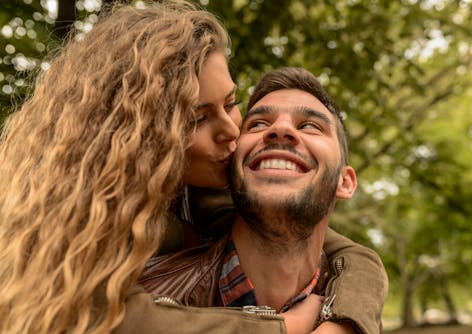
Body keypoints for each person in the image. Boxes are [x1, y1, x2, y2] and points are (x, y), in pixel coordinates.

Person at [0, 1, 385, 333]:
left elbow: (352, 253)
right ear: (139, 138)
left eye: (232, 102)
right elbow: (102, 319)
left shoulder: (207, 193)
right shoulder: (77, 208)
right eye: (198, 119)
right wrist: (285, 327)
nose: (232, 129)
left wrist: (345, 321)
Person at [140, 67, 388, 334]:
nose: (280, 129)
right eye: (258, 124)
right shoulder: (140, 296)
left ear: (345, 182)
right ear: (230, 165)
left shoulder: (352, 307)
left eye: (309, 126)